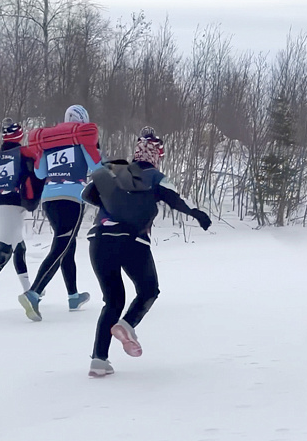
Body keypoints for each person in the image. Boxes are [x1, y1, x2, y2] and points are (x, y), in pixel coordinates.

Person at [83, 129, 211, 377]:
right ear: (156, 155)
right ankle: (127, 325)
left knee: (113, 300)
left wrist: (111, 203)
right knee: (148, 290)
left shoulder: (114, 169)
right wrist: (197, 214)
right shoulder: (154, 176)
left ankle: (99, 360)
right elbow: (175, 199)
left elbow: (86, 193)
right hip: (132, 240)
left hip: (100, 239)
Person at [18, 105, 102, 321]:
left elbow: (40, 173)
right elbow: (96, 167)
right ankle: (34, 293)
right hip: (72, 198)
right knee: (61, 245)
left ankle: (73, 296)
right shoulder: (81, 139)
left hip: (49, 199)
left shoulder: (50, 142)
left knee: (66, 245)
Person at [0, 119, 43, 316]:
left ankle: (29, 290)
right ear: (19, 136)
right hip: (12, 205)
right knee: (4, 253)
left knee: (20, 248)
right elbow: (38, 166)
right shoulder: (23, 152)